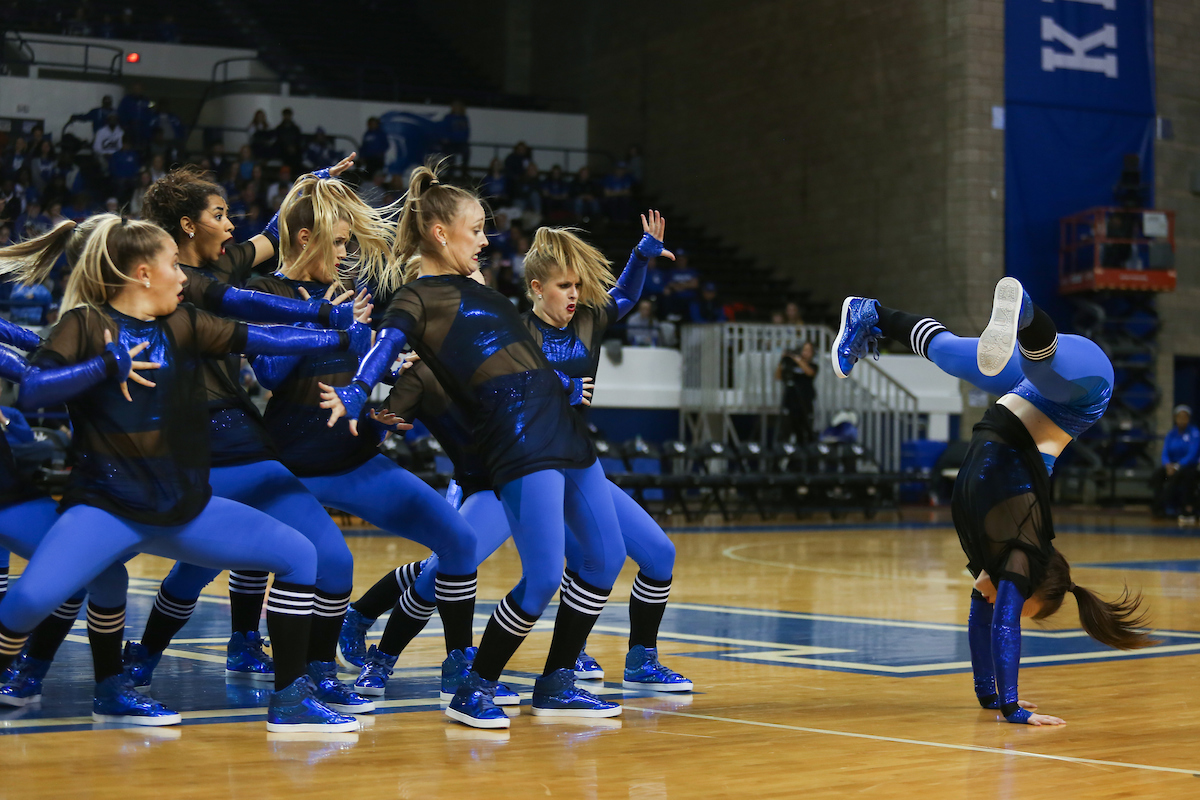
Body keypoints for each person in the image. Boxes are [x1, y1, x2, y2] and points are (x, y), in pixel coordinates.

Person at [0, 215, 367, 731]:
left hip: (183, 505)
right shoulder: (85, 325)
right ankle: (61, 682)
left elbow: (266, 338)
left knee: (299, 555)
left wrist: (340, 335)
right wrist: (105, 367)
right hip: (107, 507)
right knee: (30, 600)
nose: (183, 276)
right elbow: (33, 390)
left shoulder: (185, 324)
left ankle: (289, 700)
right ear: (144, 273)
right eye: (174, 265)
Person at [320, 160, 627, 729]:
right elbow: (386, 345)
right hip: (517, 438)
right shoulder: (419, 297)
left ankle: (557, 680)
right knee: (541, 576)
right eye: (477, 228)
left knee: (605, 559)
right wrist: (361, 391)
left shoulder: (480, 287)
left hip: (563, 428)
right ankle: (475, 686)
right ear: (442, 233)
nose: (486, 239)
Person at [833, 277, 1155, 725]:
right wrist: (1013, 709)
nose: (1001, 600)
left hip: (1021, 388)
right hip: (1084, 390)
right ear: (1032, 583)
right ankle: (1022, 310)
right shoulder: (1024, 551)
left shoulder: (993, 553)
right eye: (1021, 600)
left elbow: (981, 620)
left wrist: (988, 696)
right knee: (1047, 368)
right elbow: (1004, 623)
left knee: (946, 354)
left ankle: (869, 314)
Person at [123, 160, 373, 706]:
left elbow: (271, 232)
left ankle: (315, 675)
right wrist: (322, 324)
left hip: (245, 437)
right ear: (189, 225)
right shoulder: (161, 279)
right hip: (189, 442)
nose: (232, 226)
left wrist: (315, 180)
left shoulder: (226, 262)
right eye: (220, 214)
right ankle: (134, 659)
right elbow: (254, 313)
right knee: (190, 566)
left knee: (330, 558)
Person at [244, 176, 483, 706]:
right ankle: (315, 669)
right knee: (332, 563)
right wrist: (324, 320)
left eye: (350, 242)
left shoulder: (351, 295)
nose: (347, 252)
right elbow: (271, 374)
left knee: (460, 542)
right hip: (291, 464)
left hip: (353, 457)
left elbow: (359, 377)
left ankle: (459, 664)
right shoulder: (264, 291)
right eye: (339, 242)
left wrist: (390, 393)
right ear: (305, 238)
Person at [1151, 405, 1199, 521]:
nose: (1182, 420)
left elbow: (1192, 453)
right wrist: (1167, 464)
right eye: (1179, 417)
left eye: (1184, 417)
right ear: (1175, 418)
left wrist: (1177, 466)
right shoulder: (1171, 434)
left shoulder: (1194, 433)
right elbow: (1165, 452)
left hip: (1188, 466)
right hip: (1171, 466)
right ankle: (1158, 508)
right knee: (1158, 475)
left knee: (1181, 476)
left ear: (1189, 419)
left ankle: (1182, 507)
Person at [776, 340, 817, 444]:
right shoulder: (791, 365)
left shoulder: (813, 365)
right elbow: (778, 376)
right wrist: (783, 361)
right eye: (804, 350)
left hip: (805, 403)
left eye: (808, 351)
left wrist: (797, 359)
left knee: (803, 433)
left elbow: (810, 373)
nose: (805, 353)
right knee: (784, 433)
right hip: (790, 402)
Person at [440, 100, 470, 176]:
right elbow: (444, 129)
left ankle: (464, 172)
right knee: (451, 157)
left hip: (461, 142)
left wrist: (464, 139)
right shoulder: (448, 117)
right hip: (451, 142)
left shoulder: (464, 118)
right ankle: (450, 173)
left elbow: (466, 131)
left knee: (466, 152)